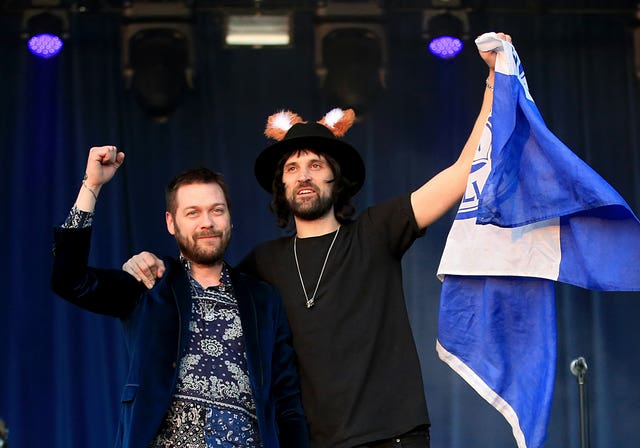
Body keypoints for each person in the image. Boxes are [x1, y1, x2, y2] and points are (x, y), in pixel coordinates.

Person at [123, 33, 510, 447]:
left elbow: (463, 170)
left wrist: (494, 80)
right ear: (282, 186)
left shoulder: (375, 232)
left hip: (393, 436)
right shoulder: (262, 265)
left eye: (314, 164)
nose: (303, 174)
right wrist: (146, 265)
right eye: (291, 168)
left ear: (334, 177)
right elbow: (201, 291)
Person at [50, 146, 309, 448]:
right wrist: (91, 186)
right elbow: (69, 281)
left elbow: (287, 403)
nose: (207, 223)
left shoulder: (262, 299)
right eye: (193, 213)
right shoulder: (150, 284)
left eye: (216, 210)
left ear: (230, 218)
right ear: (171, 223)